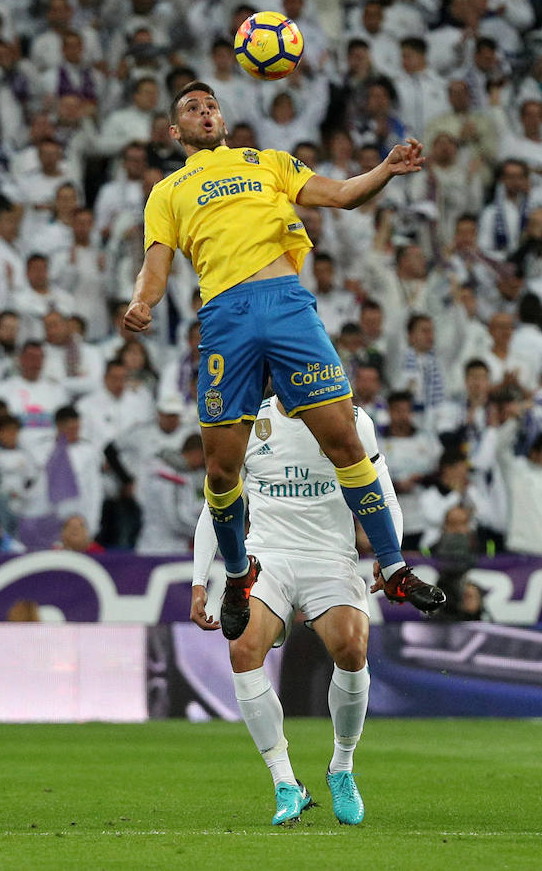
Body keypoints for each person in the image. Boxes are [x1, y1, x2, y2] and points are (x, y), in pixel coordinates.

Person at [124, 79, 444, 641]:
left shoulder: (268, 162)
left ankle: (393, 568)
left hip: (289, 307)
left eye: (212, 106)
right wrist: (141, 302)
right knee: (222, 470)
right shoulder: (168, 192)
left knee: (344, 439)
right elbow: (156, 265)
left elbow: (341, 194)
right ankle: (238, 573)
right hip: (225, 317)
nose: (206, 113)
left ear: (222, 120)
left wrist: (386, 170)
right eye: (193, 109)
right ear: (175, 131)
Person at [191, 395, 403, 826]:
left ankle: (341, 768)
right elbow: (216, 503)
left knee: (351, 646)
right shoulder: (248, 423)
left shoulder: (352, 420)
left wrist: (390, 555)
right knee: (242, 649)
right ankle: (286, 783)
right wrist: (199, 580)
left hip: (330, 557)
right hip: (267, 556)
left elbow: (385, 494)